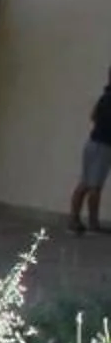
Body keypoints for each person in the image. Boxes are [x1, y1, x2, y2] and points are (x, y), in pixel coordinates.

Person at [76, 71, 111, 234]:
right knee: (95, 186)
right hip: (103, 145)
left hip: (92, 143)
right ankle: (93, 224)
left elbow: (93, 116)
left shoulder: (105, 96)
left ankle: (74, 220)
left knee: (84, 182)